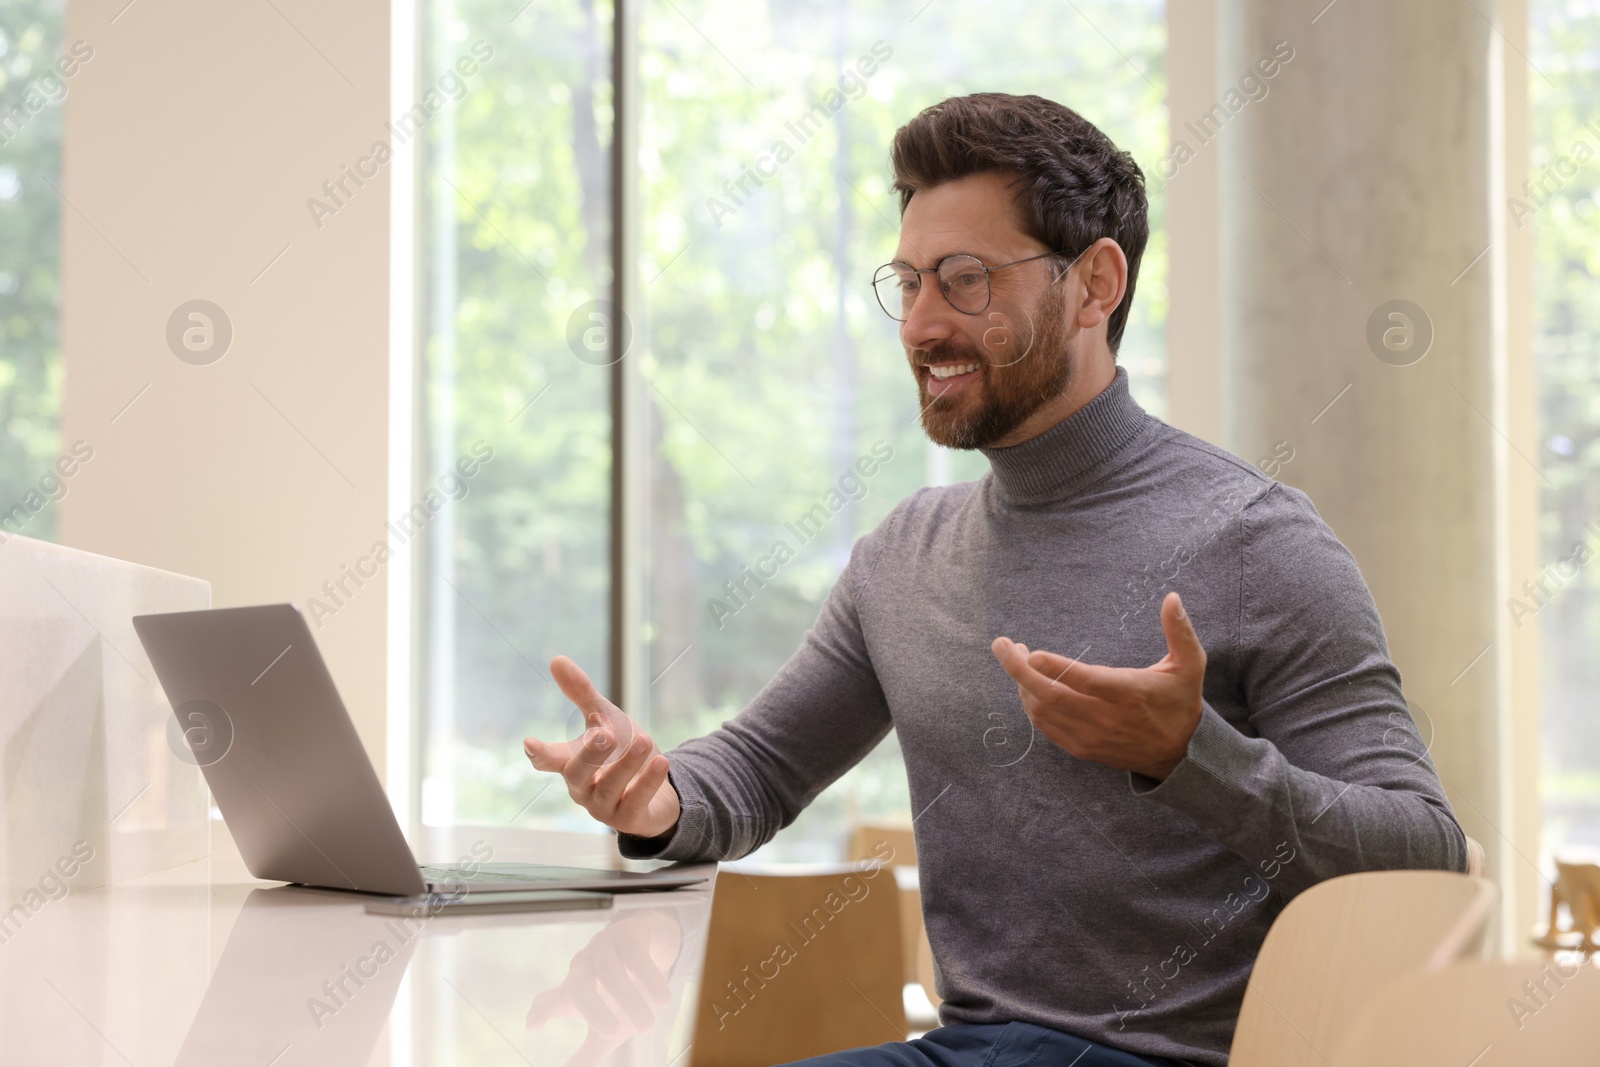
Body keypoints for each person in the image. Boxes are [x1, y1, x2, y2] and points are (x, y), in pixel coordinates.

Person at [522, 92, 1466, 1067]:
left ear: (1095, 283)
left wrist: (1193, 755)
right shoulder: (905, 555)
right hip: (972, 1046)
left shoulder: (1257, 542)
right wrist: (656, 799)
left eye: (964, 280)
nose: (923, 324)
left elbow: (1423, 854)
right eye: (908, 281)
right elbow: (754, 771)